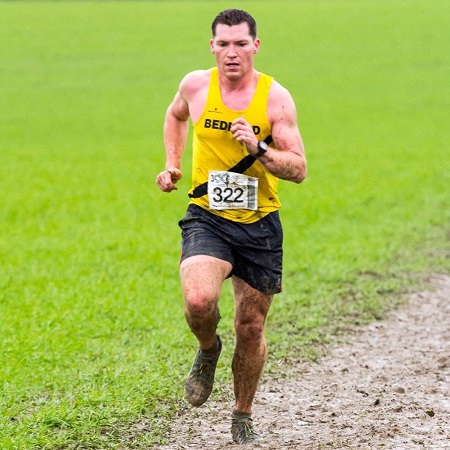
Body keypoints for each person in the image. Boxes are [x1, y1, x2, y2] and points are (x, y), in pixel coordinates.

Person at [156, 8, 306, 444]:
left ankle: (242, 414)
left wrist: (259, 148)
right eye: (223, 44)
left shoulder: (275, 99)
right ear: (212, 47)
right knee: (199, 300)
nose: (232, 52)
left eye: (241, 43)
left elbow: (298, 169)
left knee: (250, 327)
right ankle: (208, 350)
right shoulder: (195, 86)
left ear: (255, 46)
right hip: (208, 217)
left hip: (259, 225)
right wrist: (172, 164)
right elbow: (175, 115)